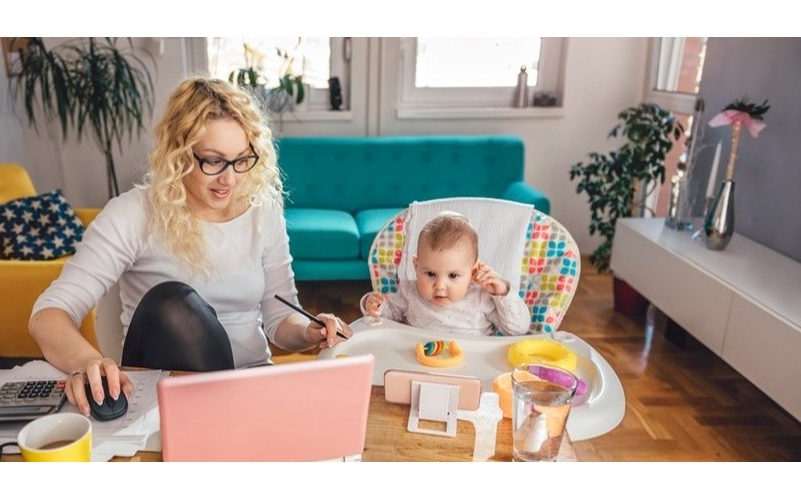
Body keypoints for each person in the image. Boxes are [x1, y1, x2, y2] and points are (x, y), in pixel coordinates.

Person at [29, 77, 351, 417]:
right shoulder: (133, 214)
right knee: (175, 304)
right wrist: (85, 360)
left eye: (242, 160)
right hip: (168, 394)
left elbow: (279, 320)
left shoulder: (262, 211)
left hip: (251, 387)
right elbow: (49, 314)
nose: (230, 179)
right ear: (179, 153)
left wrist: (308, 330)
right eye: (213, 161)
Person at [361, 212, 530, 336]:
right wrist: (377, 306)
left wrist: (503, 293)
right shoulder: (409, 291)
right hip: (419, 362)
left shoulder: (482, 298)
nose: (440, 286)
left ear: (473, 272)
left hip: (470, 367)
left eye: (453, 276)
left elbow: (517, 330)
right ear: (416, 265)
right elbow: (388, 318)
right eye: (430, 274)